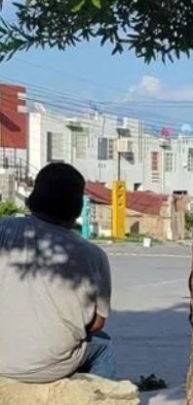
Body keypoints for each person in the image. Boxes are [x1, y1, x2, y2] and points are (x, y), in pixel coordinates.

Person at [0, 163, 115, 383]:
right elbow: (97, 324)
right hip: (47, 365)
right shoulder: (93, 255)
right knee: (104, 346)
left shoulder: (3, 229)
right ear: (77, 206)